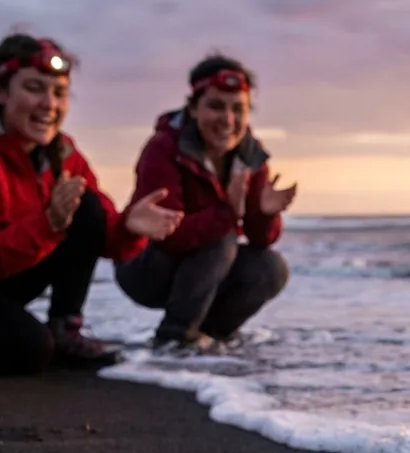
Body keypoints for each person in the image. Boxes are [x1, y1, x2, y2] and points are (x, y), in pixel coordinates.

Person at [0, 34, 183, 374]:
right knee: (28, 351)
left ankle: (66, 327)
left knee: (84, 203)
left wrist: (129, 228)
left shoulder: (63, 152)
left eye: (59, 93)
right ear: (0, 91)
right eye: (33, 88)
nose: (49, 104)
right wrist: (49, 224)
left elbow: (100, 233)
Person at [116, 54, 296, 354]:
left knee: (270, 268)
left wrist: (265, 215)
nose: (228, 120)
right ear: (193, 108)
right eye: (216, 106)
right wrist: (226, 213)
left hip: (202, 269)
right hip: (145, 265)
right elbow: (169, 235)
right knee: (222, 238)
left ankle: (208, 337)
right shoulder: (163, 148)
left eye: (238, 109)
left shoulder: (250, 155)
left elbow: (261, 239)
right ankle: (175, 336)